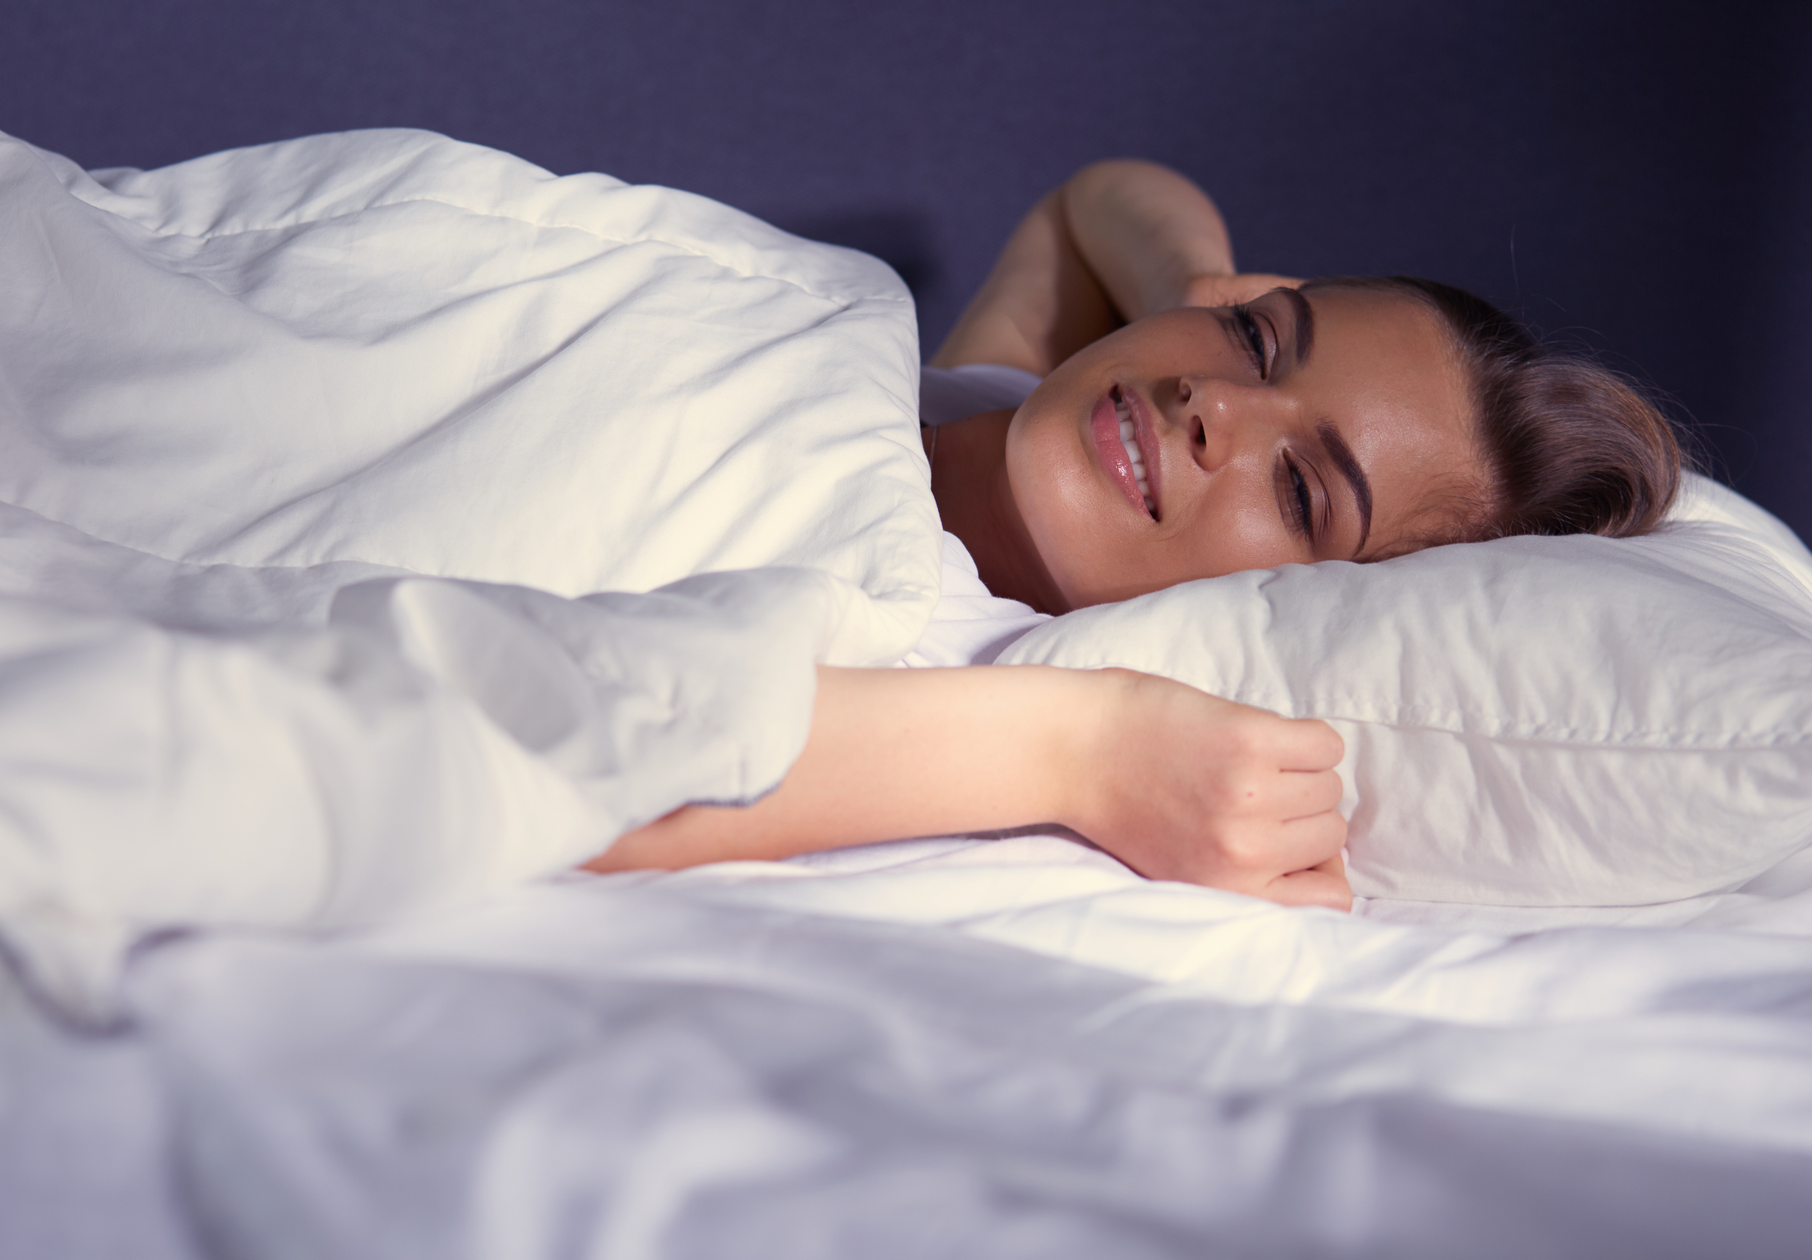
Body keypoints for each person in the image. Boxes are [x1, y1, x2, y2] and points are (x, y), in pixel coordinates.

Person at [587, 160, 1686, 908]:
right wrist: (1191, 288)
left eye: (1300, 492)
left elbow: (557, 758)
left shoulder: (916, 656)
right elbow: (1089, 205)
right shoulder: (976, 406)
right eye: (1259, 343)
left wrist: (1086, 753)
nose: (1212, 405)